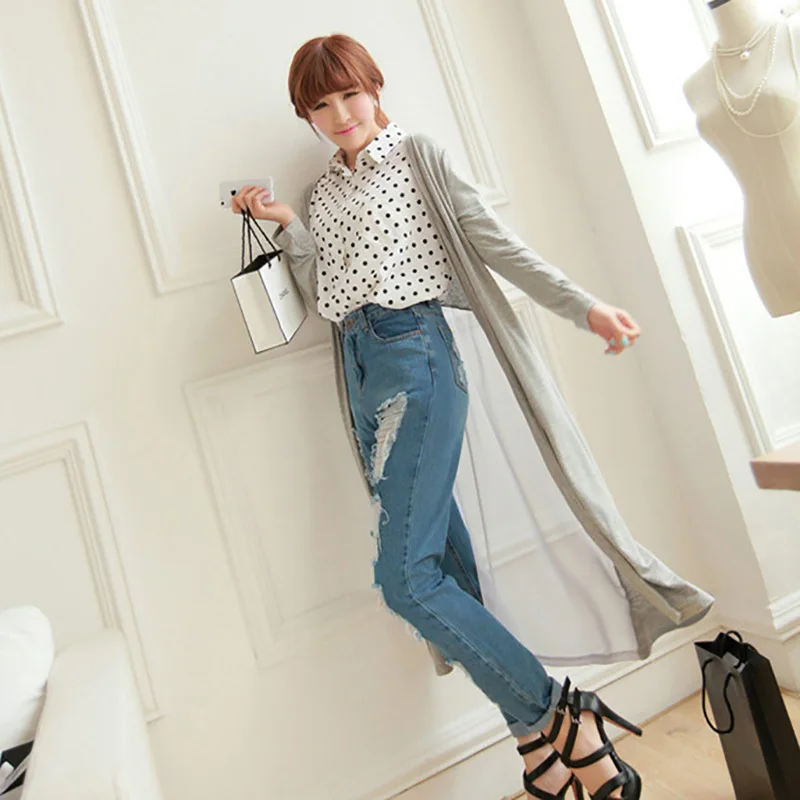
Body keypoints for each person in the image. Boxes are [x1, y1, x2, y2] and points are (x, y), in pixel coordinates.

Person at [232, 33, 647, 800]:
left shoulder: (419, 159)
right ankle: (537, 748)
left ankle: (563, 713)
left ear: (375, 88)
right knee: (445, 569)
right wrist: (288, 224)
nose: (340, 114)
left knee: (405, 578)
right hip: (360, 372)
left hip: (417, 360)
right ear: (306, 115)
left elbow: (498, 247)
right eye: (320, 105)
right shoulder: (322, 194)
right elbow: (324, 295)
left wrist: (584, 307)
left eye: (350, 94)